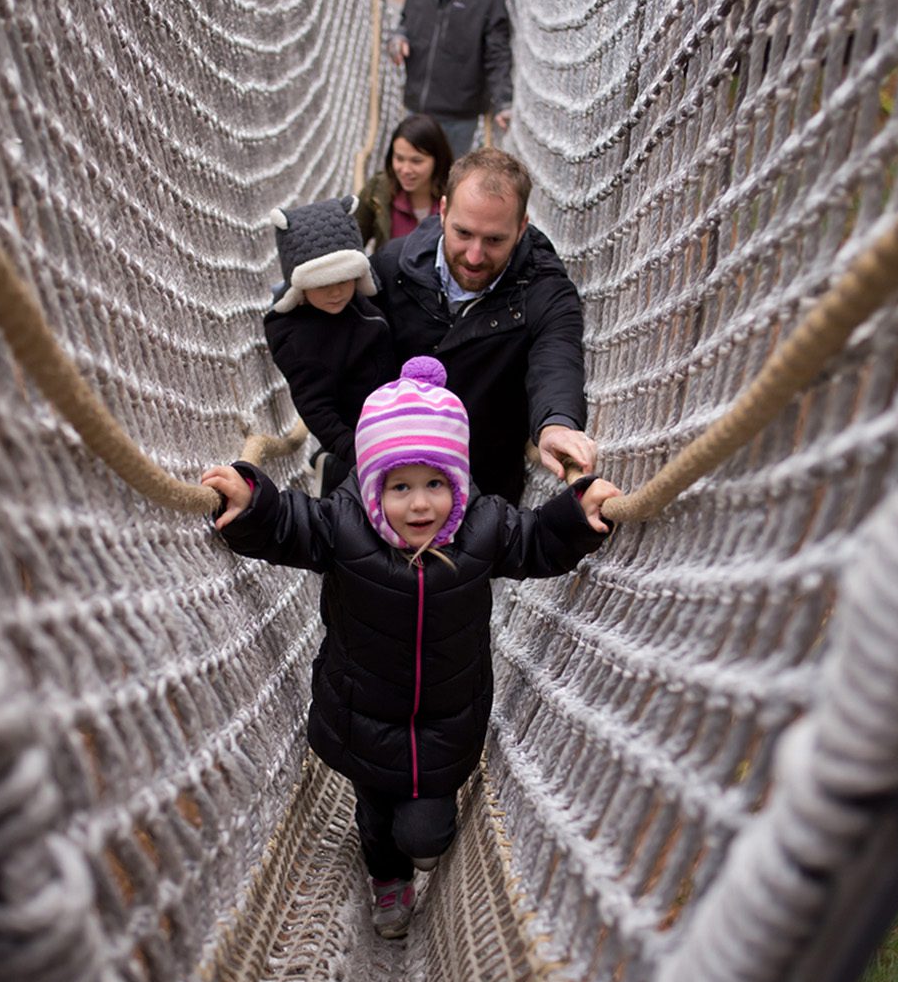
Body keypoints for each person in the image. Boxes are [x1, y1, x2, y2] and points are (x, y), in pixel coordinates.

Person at [199, 356, 622, 938]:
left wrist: (579, 514)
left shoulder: (484, 527)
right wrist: (252, 503)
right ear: (375, 487)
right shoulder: (343, 528)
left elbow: (539, 540)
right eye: (400, 487)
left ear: (458, 481)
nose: (419, 505)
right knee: (377, 824)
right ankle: (387, 881)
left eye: (435, 485)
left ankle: (420, 846)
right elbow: (288, 524)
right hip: (362, 716)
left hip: (448, 720)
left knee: (426, 830)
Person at [368, 147, 598, 503]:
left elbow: (556, 359)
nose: (475, 256)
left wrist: (556, 424)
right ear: (443, 211)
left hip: (483, 491)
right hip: (388, 478)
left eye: (494, 240)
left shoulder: (543, 291)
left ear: (521, 228)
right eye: (463, 233)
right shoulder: (393, 268)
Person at [262, 196, 397, 496]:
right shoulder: (297, 336)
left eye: (344, 279)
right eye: (323, 283)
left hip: (389, 412)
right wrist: (351, 451)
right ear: (301, 285)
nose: (336, 291)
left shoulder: (363, 302)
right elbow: (315, 405)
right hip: (355, 436)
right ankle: (331, 467)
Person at [389, 0, 513, 158]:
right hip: (416, 109)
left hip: (458, 118)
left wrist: (503, 102)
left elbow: (497, 52)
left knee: (447, 187)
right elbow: (405, 22)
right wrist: (398, 38)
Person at [355, 113, 455, 251]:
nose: (405, 170)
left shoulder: (455, 196)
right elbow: (353, 239)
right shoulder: (378, 190)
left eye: (416, 161)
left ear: (437, 160)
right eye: (399, 159)